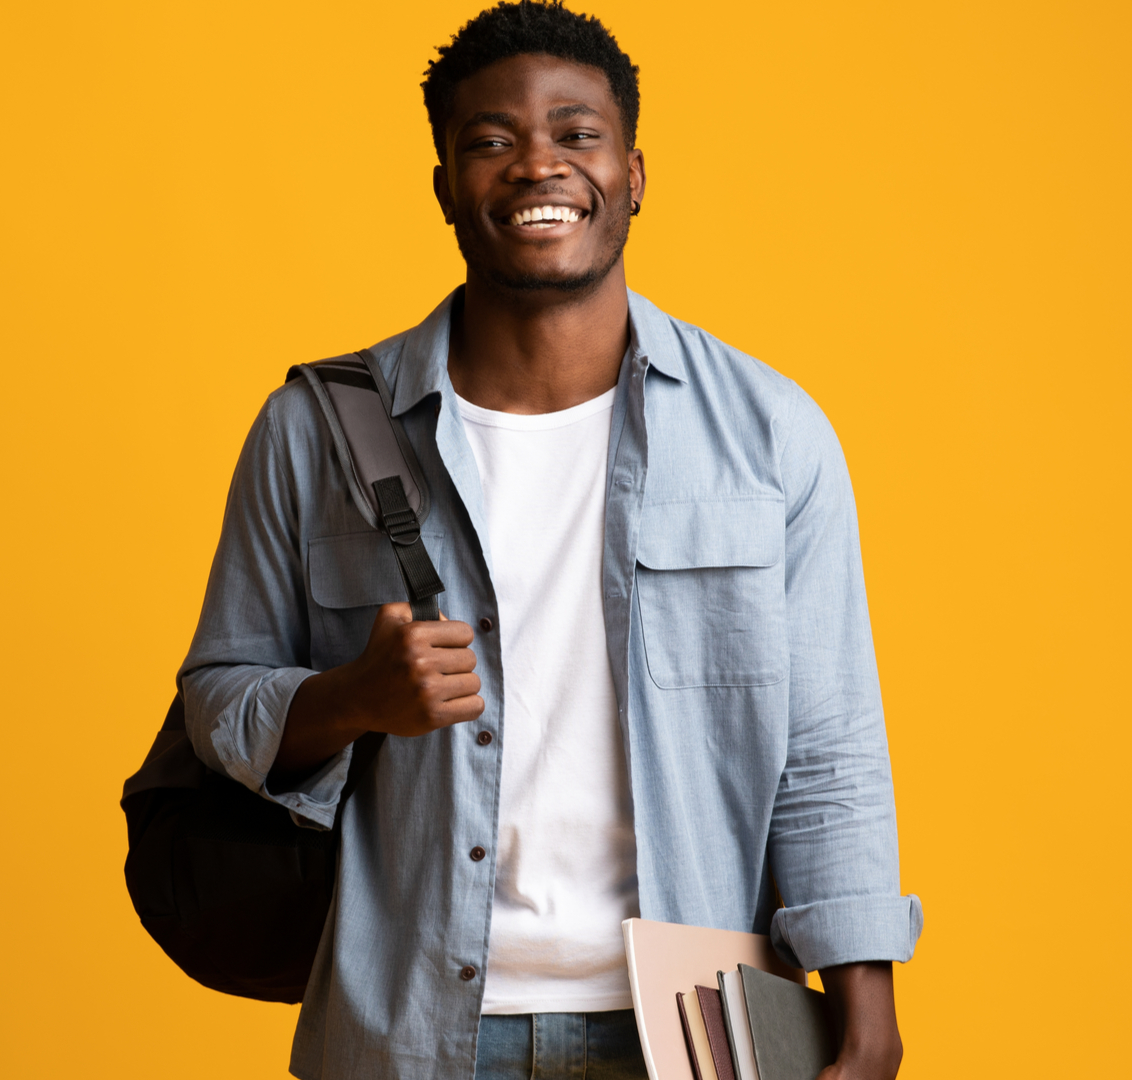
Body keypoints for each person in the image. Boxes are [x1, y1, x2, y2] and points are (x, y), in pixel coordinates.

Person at [178, 2, 922, 1076]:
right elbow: (218, 699)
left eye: (576, 136)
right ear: (443, 184)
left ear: (632, 173)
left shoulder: (767, 434)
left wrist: (867, 1006)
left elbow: (829, 749)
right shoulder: (317, 430)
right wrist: (350, 700)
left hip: (695, 1032)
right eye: (490, 141)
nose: (537, 167)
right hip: (407, 1032)